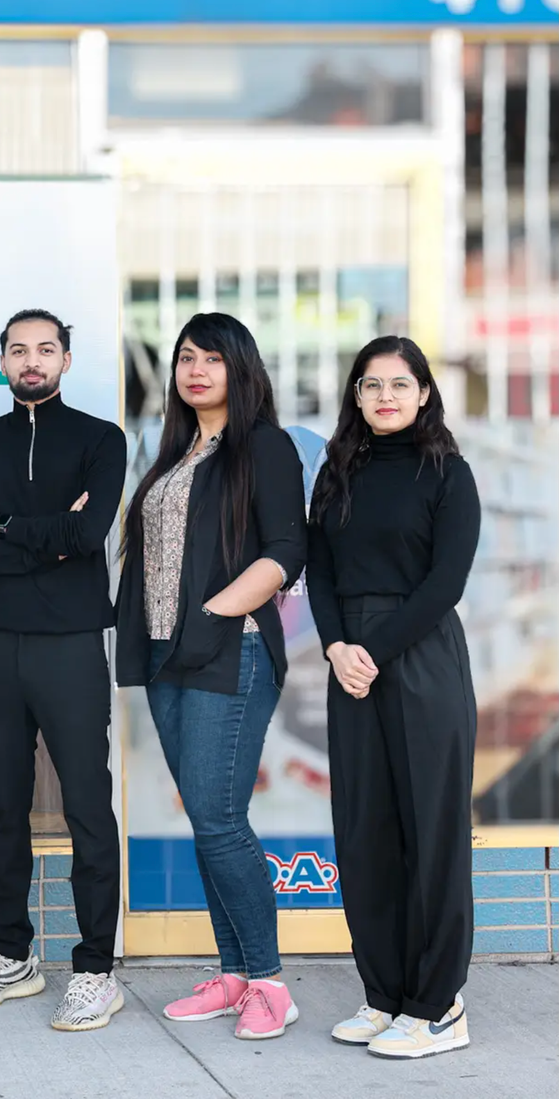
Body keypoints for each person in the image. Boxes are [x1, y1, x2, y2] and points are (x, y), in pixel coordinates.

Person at [113, 312, 306, 1041]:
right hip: (168, 654)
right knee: (206, 817)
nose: (196, 371)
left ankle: (269, 983)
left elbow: (286, 550)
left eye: (212, 359)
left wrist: (214, 612)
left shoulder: (264, 446)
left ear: (241, 368)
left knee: (220, 819)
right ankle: (234, 975)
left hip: (231, 649)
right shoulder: (176, 452)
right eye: (186, 358)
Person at [0, 309, 127, 1031]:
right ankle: (11, 952)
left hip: (71, 641)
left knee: (86, 804)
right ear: (4, 361)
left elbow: (89, 531)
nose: (32, 360)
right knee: (5, 806)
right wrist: (50, 540)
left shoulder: (101, 439)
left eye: (46, 349)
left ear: (66, 360)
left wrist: (6, 526)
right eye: (19, 350)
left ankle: (96, 967)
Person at [307, 337, 479, 1059]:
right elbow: (318, 568)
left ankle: (437, 1007)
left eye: (400, 384)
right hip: (349, 661)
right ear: (356, 394)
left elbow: (446, 583)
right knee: (365, 833)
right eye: (371, 384)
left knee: (431, 834)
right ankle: (384, 995)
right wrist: (335, 646)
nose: (385, 396)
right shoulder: (338, 471)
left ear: (424, 393)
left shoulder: (448, 473)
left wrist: (371, 651)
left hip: (420, 656)